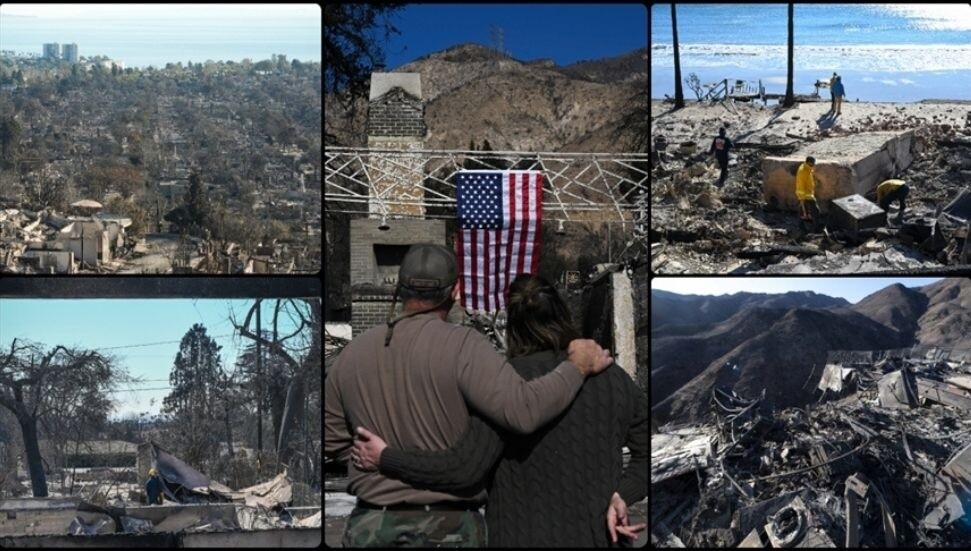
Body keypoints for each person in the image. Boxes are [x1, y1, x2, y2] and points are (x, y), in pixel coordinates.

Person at [324, 244, 613, 548]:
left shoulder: (352, 354)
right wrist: (576, 367)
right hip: (448, 528)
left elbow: (333, 441)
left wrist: (377, 459)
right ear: (456, 291)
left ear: (399, 288)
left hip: (370, 527)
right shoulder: (464, 345)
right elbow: (524, 411)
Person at [796, 156, 819, 226]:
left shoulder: (808, 168)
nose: (814, 165)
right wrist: (802, 198)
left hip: (809, 193)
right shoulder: (802, 171)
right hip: (805, 195)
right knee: (815, 211)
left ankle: (803, 225)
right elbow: (800, 185)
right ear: (809, 162)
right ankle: (814, 226)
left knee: (805, 212)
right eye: (813, 163)